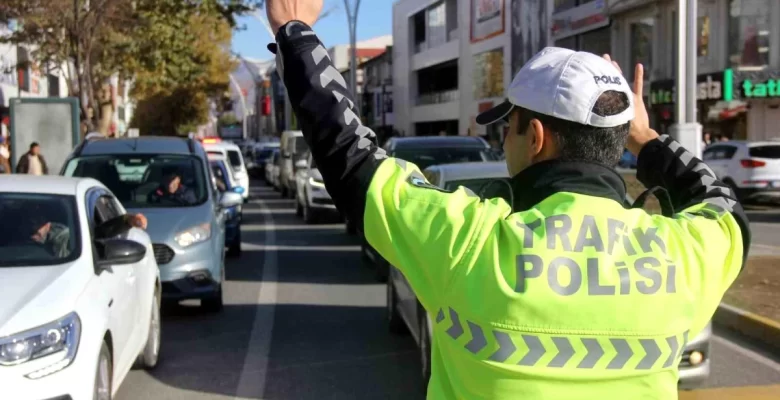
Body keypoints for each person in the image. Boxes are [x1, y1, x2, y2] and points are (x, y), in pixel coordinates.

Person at [265, 1, 750, 398]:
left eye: (508, 128)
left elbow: (353, 161)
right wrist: (644, 139)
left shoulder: (472, 244)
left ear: (535, 136)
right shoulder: (680, 257)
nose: (503, 143)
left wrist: (297, 33)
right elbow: (723, 206)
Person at [27, 213, 147, 258]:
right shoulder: (16, 246)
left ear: (48, 225)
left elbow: (100, 233)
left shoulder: (70, 237)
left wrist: (127, 221)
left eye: (37, 233)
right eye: (31, 234)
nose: (35, 238)